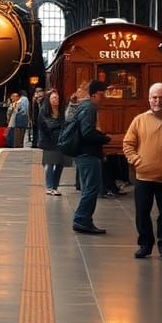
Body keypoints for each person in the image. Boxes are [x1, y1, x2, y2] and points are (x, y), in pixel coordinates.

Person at [122, 83, 162, 259]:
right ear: (149, 99)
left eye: (161, 97)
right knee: (142, 212)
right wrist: (136, 160)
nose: (157, 101)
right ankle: (145, 244)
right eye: (154, 97)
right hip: (143, 177)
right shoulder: (139, 120)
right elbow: (128, 144)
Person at [70, 79, 111, 234]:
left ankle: (84, 219)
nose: (104, 97)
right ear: (95, 94)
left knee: (89, 187)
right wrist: (104, 138)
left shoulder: (84, 106)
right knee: (92, 188)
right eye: (102, 94)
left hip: (82, 153)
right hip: (88, 153)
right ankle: (81, 219)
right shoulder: (89, 108)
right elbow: (87, 133)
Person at [37, 89, 69, 196]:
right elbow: (48, 125)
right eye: (54, 98)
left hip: (61, 140)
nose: (56, 100)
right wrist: (59, 124)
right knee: (49, 163)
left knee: (60, 163)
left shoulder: (62, 110)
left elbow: (66, 123)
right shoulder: (44, 111)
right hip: (49, 141)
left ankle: (55, 186)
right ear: (49, 99)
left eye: (57, 98)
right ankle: (49, 187)